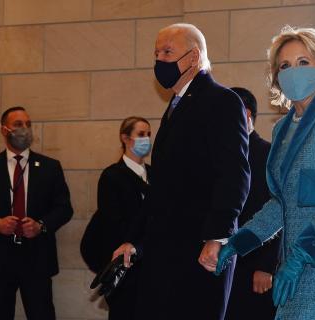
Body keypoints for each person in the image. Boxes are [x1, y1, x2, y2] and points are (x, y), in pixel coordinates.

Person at [213, 27, 315, 320]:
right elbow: (282, 203)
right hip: (295, 261)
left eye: (303, 62)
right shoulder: (282, 129)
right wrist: (238, 242)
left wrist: (302, 254)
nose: (292, 71)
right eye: (285, 66)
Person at [113, 23, 251, 320]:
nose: (159, 60)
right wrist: (134, 239)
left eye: (167, 52)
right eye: (156, 53)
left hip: (201, 248)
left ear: (193, 57)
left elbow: (235, 174)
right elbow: (163, 187)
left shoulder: (222, 101)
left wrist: (218, 237)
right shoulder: (176, 106)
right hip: (167, 250)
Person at [0, 106, 73, 320]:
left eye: (28, 124)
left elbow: (64, 208)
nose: (25, 129)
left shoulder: (50, 167)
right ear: (4, 130)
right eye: (18, 124)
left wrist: (41, 225)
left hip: (37, 259)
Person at [80, 116, 152, 320]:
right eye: (140, 134)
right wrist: (134, 244)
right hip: (126, 267)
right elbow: (112, 222)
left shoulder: (155, 175)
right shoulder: (112, 176)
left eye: (148, 134)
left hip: (149, 267)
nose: (146, 138)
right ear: (125, 138)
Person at [225, 87, 279, 320]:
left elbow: (277, 210)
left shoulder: (268, 154)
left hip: (256, 268)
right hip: (228, 263)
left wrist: (266, 265)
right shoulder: (224, 155)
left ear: (245, 114)